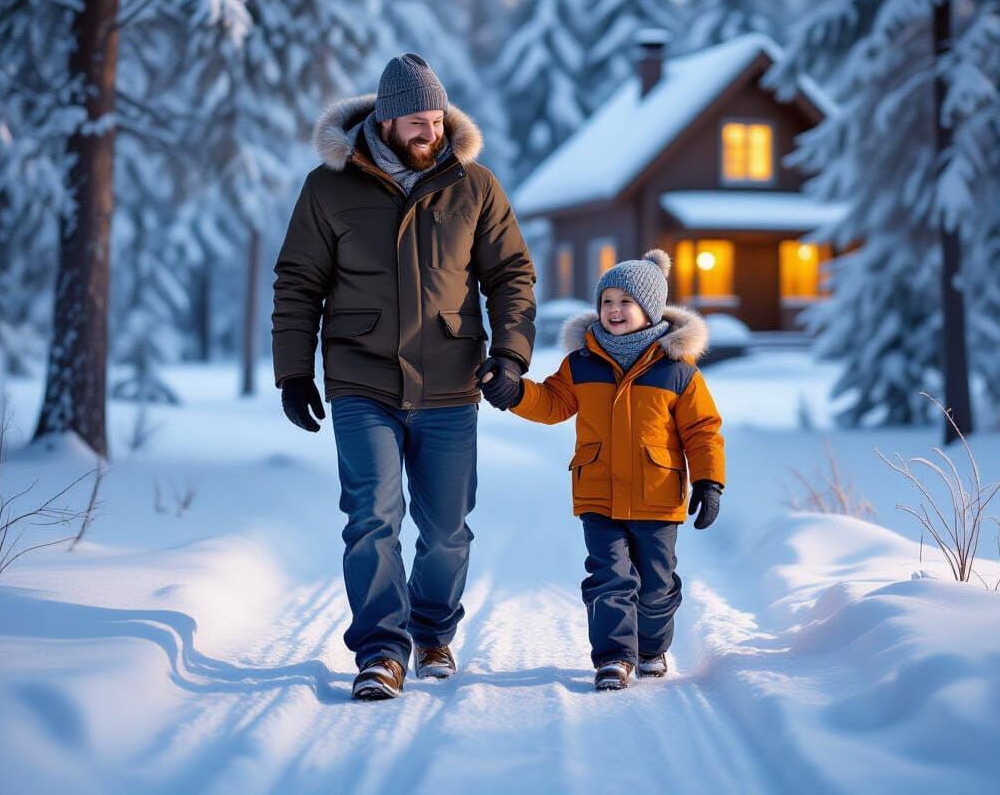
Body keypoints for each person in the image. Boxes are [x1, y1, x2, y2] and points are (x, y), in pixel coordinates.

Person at [272, 53, 536, 701]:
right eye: (417, 121)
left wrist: (510, 355)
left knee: (447, 530)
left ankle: (433, 632)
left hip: (450, 382)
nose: (430, 132)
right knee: (372, 518)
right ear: (386, 121)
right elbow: (298, 283)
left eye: (437, 120)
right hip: (361, 381)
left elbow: (511, 276)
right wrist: (293, 372)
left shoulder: (475, 186)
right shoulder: (329, 187)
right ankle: (381, 651)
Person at [479, 249, 724, 690]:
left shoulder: (677, 370)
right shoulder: (582, 363)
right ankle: (614, 657)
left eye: (625, 301)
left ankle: (651, 648)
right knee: (609, 578)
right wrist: (514, 393)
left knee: (656, 585)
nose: (614, 309)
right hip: (599, 493)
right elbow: (553, 403)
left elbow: (702, 430)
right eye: (607, 301)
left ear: (650, 309)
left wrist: (709, 481)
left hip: (657, 496)